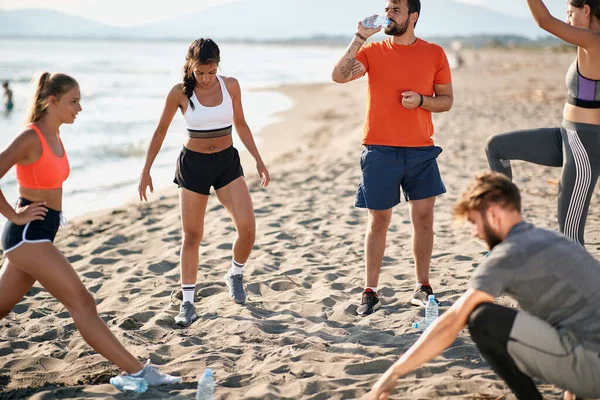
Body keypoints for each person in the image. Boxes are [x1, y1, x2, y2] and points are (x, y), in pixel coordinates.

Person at [0, 72, 180, 385]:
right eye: (74, 101)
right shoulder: (31, 137)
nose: (80, 108)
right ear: (51, 101)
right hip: (27, 237)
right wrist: (14, 216)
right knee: (82, 303)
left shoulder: (56, 135)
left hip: (39, 234)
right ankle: (139, 372)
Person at [368, 171, 600, 400]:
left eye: (474, 222)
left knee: (482, 319)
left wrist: (393, 373)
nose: (475, 233)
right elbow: (579, 319)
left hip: (593, 369)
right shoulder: (550, 239)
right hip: (588, 355)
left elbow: (451, 323)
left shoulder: (509, 253)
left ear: (492, 214)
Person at [331, 0, 453, 315]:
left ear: (413, 17)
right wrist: (359, 37)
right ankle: (370, 290)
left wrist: (423, 101)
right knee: (378, 221)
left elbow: (446, 100)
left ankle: (422, 287)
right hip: (380, 150)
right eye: (387, 8)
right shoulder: (373, 52)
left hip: (421, 150)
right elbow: (339, 77)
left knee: (424, 219)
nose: (388, 13)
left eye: (395, 9)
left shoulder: (435, 53)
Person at [138, 38, 270, 327]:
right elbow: (160, 131)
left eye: (211, 72)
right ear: (190, 66)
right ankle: (187, 303)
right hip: (194, 166)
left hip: (226, 163)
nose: (207, 79)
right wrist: (146, 169)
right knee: (192, 235)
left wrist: (258, 159)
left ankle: (234, 273)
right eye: (201, 73)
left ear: (218, 65)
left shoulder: (231, 85)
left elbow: (242, 124)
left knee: (247, 228)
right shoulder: (179, 93)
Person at [485, 0, 600, 246]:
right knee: (496, 147)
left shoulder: (594, 41)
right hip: (566, 136)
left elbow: (545, 21)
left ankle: (581, 284)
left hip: (584, 146)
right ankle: (506, 230)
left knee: (570, 237)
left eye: (570, 13)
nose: (568, 20)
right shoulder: (588, 43)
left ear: (587, 10)